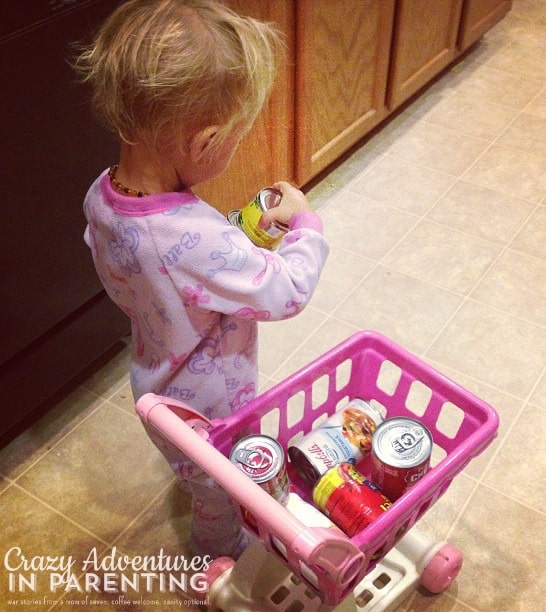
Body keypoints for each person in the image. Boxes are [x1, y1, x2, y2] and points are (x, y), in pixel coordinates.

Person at [73, 0, 329, 560]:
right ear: (206, 142)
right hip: (208, 406)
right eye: (236, 137)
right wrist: (307, 225)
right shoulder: (195, 239)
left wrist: (242, 234)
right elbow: (285, 292)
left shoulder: (103, 194)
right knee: (220, 490)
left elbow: (177, 263)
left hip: (153, 375)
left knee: (200, 477)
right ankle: (217, 558)